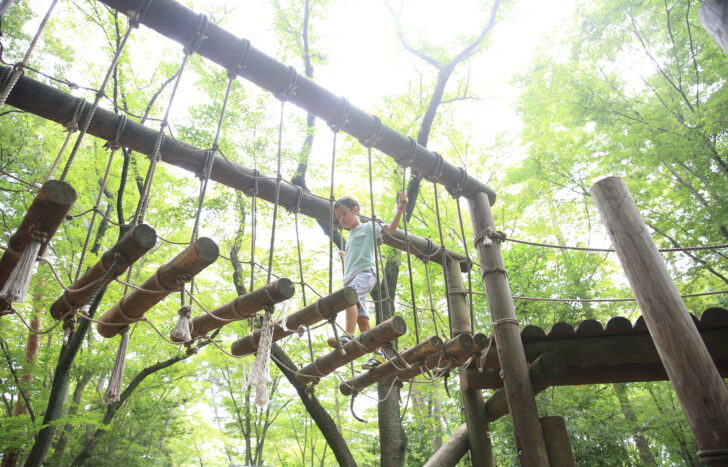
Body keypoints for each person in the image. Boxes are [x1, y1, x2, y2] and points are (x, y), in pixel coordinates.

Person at [327, 192, 408, 369]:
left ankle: (349, 334)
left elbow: (390, 230)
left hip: (366, 273)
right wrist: (345, 256)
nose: (341, 219)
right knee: (363, 320)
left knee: (350, 297)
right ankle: (378, 355)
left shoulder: (369, 226)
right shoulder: (350, 237)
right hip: (351, 278)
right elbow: (356, 254)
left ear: (355, 210)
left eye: (344, 213)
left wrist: (400, 209)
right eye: (338, 216)